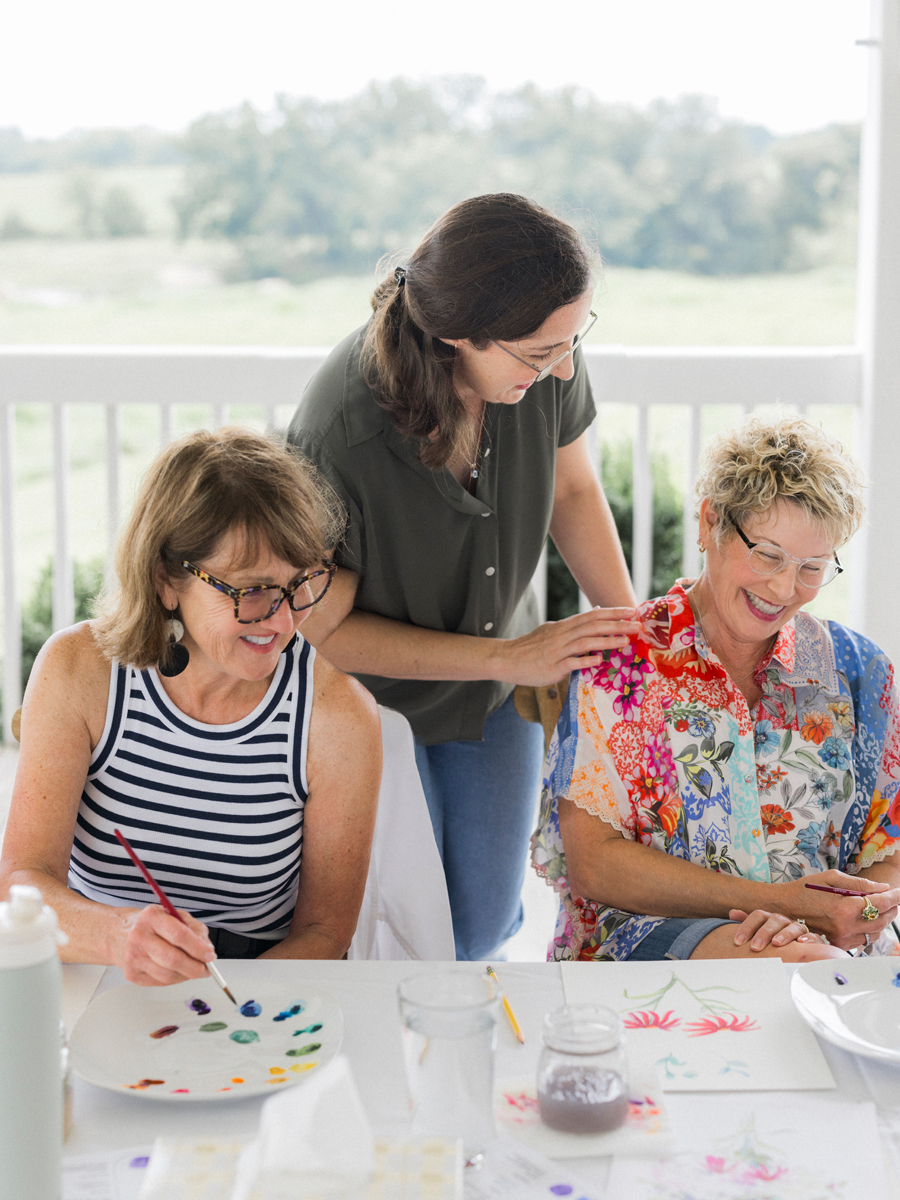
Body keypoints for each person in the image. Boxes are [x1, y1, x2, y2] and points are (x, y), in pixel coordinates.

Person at [290, 193, 637, 961]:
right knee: (403, 926)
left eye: (572, 341)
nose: (564, 367)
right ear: (457, 333)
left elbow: (573, 492)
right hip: (374, 707)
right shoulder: (339, 430)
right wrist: (511, 657)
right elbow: (325, 632)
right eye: (542, 351)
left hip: (496, 696)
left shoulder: (541, 365)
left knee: (479, 925)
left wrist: (636, 630)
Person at [0, 427, 381, 985]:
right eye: (250, 590)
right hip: (90, 967)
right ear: (166, 580)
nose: (282, 621)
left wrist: (219, 1008)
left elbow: (324, 934)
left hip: (255, 988)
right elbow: (20, 881)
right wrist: (119, 936)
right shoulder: (79, 670)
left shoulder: (339, 717)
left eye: (297, 584)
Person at [533, 415, 900, 962]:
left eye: (811, 568)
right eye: (768, 554)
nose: (782, 588)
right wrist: (785, 907)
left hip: (826, 943)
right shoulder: (622, 663)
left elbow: (887, 846)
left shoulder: (860, 672)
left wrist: (864, 914)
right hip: (645, 932)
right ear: (710, 524)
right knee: (805, 965)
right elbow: (595, 865)